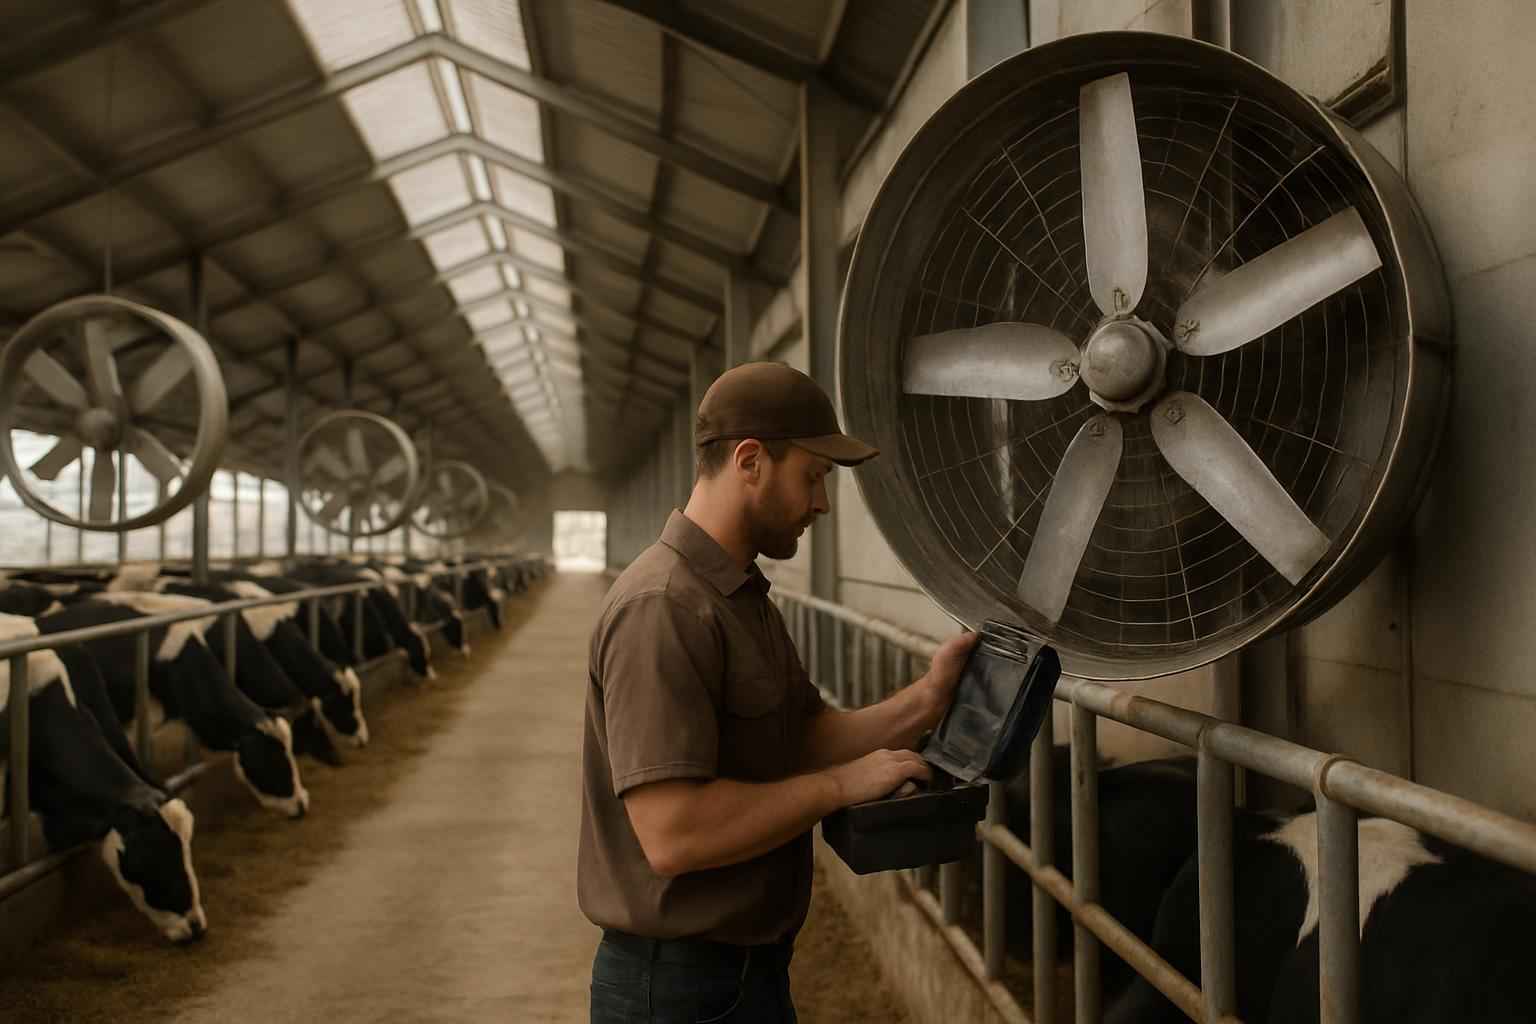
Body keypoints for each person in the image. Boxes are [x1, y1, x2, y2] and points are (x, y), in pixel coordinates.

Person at [579, 361, 979, 1023]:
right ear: (749, 461)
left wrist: (928, 699)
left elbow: (805, 736)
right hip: (677, 990)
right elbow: (672, 833)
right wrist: (839, 787)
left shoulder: (737, 596)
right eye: (814, 477)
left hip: (739, 973)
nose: (820, 504)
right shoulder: (665, 607)